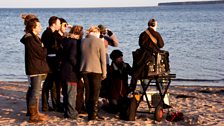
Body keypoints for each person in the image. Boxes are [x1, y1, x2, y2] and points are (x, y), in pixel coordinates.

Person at [20, 17, 49, 122]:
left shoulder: (33, 37)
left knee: (34, 90)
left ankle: (35, 112)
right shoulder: (31, 39)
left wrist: (42, 46)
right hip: (35, 68)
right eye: (39, 26)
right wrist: (44, 47)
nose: (41, 27)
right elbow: (41, 53)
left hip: (36, 67)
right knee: (35, 91)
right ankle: (33, 115)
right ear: (33, 27)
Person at [80, 26, 106, 121]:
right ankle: (93, 115)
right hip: (96, 70)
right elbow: (103, 59)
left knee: (88, 92)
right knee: (95, 93)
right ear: (96, 32)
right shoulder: (99, 41)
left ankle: (90, 113)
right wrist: (104, 72)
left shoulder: (82, 41)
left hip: (84, 69)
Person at [130, 18, 165, 91]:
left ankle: (143, 90)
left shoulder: (142, 34)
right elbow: (161, 45)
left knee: (145, 74)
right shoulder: (156, 34)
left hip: (143, 59)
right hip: (154, 59)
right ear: (154, 25)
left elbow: (140, 44)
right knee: (159, 73)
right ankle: (160, 89)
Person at [60, 26, 82, 119]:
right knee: (71, 93)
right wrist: (78, 68)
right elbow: (72, 57)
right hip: (71, 71)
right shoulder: (74, 42)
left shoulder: (65, 40)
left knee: (66, 93)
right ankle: (72, 113)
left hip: (63, 69)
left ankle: (67, 112)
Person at [41, 16, 61, 112]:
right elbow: (50, 47)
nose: (60, 25)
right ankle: (45, 105)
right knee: (48, 84)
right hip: (50, 62)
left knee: (53, 84)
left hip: (54, 61)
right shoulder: (47, 33)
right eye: (58, 24)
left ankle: (55, 104)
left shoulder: (53, 33)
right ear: (53, 24)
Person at [53, 17, 69, 112]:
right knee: (56, 86)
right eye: (64, 25)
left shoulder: (64, 35)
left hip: (63, 64)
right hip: (57, 63)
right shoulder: (55, 35)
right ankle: (57, 104)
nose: (65, 27)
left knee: (62, 85)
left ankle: (61, 103)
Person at [98, 24, 119, 99]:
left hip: (106, 63)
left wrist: (111, 34)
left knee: (106, 82)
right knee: (98, 82)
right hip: (97, 63)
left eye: (104, 32)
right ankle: (99, 97)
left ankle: (104, 97)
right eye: (101, 32)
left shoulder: (106, 38)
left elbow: (116, 44)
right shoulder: (95, 39)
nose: (102, 34)